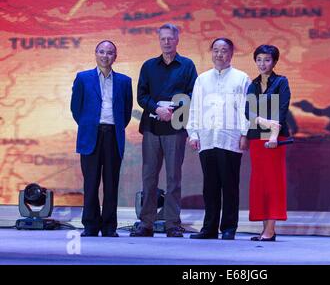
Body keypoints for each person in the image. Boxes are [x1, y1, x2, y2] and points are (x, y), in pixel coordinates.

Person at [132, 23, 197, 238]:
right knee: (149, 177)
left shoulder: (187, 65)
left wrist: (173, 109)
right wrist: (156, 108)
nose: (167, 42)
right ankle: (146, 223)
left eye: (170, 38)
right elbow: (141, 95)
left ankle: (172, 224)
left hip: (176, 128)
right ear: (159, 40)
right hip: (152, 128)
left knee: (173, 178)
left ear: (177, 40)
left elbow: (191, 93)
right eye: (163, 39)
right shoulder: (148, 66)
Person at [187, 38, 250, 240]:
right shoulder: (202, 79)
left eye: (224, 51)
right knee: (210, 186)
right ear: (211, 53)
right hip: (207, 138)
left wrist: (244, 134)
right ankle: (209, 228)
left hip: (230, 138)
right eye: (215, 50)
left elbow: (245, 109)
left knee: (230, 185)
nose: (219, 54)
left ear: (231, 54)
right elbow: (195, 107)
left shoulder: (241, 78)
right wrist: (193, 133)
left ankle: (229, 227)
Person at [70, 40, 133, 237]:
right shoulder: (83, 78)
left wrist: (113, 127)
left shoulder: (124, 81)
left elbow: (127, 112)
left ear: (115, 56)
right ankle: (90, 225)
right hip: (91, 135)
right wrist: (89, 125)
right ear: (95, 54)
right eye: (102, 52)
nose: (105, 56)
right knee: (91, 182)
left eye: (110, 53)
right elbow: (76, 109)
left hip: (113, 135)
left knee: (111, 183)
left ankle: (108, 226)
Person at [245, 44, 290, 241]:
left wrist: (273, 134)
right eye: (259, 60)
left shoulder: (281, 82)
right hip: (256, 137)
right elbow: (248, 111)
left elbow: (281, 109)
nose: (263, 64)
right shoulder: (253, 84)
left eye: (267, 60)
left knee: (273, 183)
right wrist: (262, 122)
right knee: (260, 183)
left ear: (274, 62)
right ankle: (265, 229)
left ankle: (270, 229)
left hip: (274, 139)